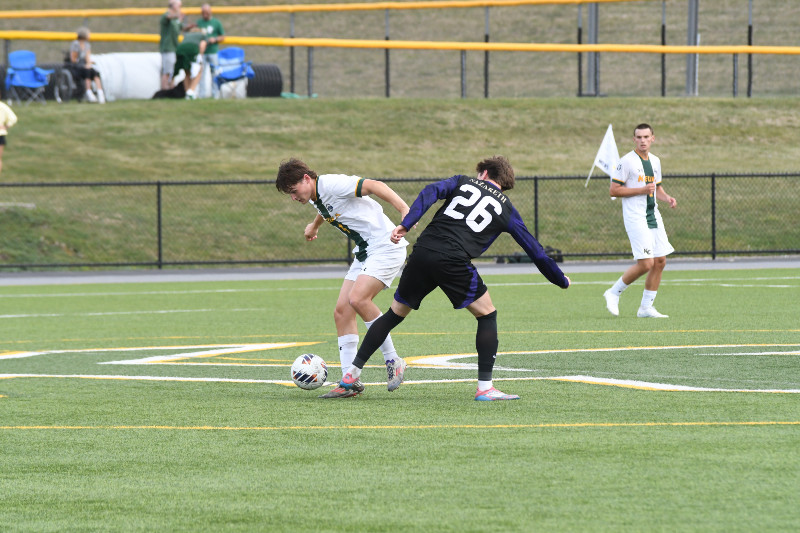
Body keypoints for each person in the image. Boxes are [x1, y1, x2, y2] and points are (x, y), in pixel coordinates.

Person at [335, 156, 571, 401]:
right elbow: (535, 251)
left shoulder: (461, 181)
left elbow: (430, 191)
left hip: (423, 251)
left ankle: (351, 374)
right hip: (453, 261)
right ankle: (485, 388)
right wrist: (560, 279)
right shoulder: (507, 209)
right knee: (487, 314)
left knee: (394, 314)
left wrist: (407, 223)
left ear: (485, 173)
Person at [276, 158, 411, 399]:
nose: (294, 198)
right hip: (365, 252)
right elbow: (327, 209)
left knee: (358, 299)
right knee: (342, 311)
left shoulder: (332, 184)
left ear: (307, 179)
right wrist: (315, 225)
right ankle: (351, 382)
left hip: (386, 246)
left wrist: (405, 211)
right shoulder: (316, 194)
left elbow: (374, 185)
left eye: (294, 191)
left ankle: (393, 360)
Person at [603, 123, 677, 318]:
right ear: (634, 139)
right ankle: (613, 292)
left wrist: (667, 198)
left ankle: (645, 308)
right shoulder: (626, 161)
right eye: (639, 137)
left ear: (653, 138)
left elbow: (657, 188)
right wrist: (641, 190)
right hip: (636, 217)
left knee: (660, 261)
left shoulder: (655, 161)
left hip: (653, 214)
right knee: (646, 263)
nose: (643, 140)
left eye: (646, 137)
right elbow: (614, 190)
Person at [68, 27, 106, 104]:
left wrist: (88, 63)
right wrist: (83, 65)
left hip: (85, 65)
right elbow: (73, 59)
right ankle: (88, 92)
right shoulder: (75, 44)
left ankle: (100, 93)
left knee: (95, 72)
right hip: (77, 66)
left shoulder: (87, 45)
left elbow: (88, 57)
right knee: (87, 72)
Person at [195, 3, 225, 99]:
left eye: (206, 13)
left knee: (214, 73)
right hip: (202, 53)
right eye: (203, 13)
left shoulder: (216, 22)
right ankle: (202, 95)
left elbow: (223, 36)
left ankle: (215, 95)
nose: (205, 15)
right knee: (201, 74)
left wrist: (215, 39)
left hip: (213, 52)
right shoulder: (199, 22)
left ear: (210, 12)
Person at [159, 0, 187, 90]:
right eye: (179, 6)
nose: (180, 8)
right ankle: (164, 90)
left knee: (172, 70)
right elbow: (168, 17)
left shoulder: (175, 19)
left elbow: (182, 27)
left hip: (174, 47)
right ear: (173, 6)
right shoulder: (166, 15)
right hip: (168, 48)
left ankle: (170, 88)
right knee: (167, 71)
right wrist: (177, 15)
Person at [173, 33, 207, 100]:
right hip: (192, 48)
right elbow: (202, 45)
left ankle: (187, 93)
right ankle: (191, 91)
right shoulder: (202, 35)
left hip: (180, 49)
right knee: (199, 70)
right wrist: (200, 55)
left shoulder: (187, 35)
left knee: (187, 72)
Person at [0, 101, 18, 176]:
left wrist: (5, 126)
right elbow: (13, 118)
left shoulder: (2, 106)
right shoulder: (3, 106)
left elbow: (13, 118)